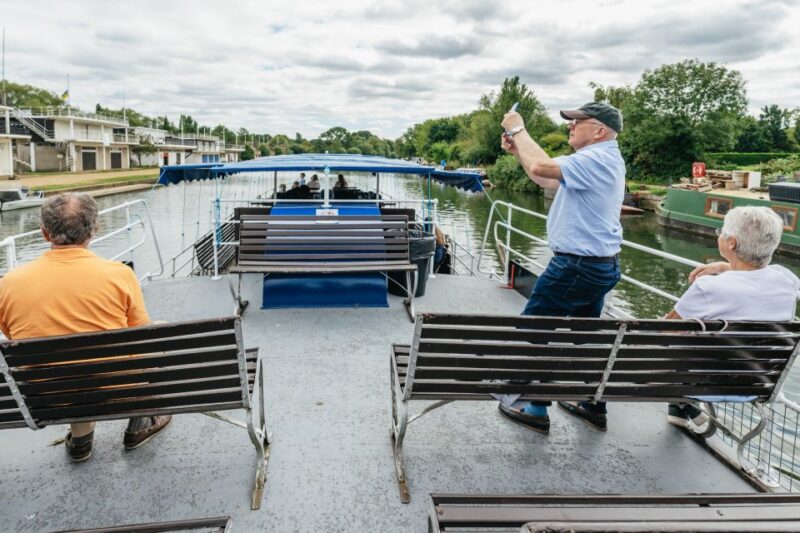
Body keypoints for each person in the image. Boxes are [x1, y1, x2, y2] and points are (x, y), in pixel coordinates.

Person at [0, 193, 171, 462]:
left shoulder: (9, 284)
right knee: (156, 335)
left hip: (44, 395)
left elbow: (13, 337)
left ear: (45, 233)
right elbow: (140, 336)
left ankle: (81, 440)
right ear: (94, 229)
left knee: (63, 362)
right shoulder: (119, 274)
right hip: (113, 389)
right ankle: (140, 419)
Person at [497, 102, 626, 434]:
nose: (570, 126)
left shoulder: (595, 158)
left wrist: (517, 128)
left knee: (533, 336)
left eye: (577, 122)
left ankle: (533, 406)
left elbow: (541, 164)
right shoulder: (601, 159)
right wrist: (517, 152)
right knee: (585, 338)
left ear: (599, 130)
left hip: (575, 266)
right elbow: (545, 179)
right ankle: (592, 402)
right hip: (599, 266)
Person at [665, 206, 800, 426]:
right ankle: (681, 408)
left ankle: (682, 403)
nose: (720, 235)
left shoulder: (708, 287)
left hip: (702, 386)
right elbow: (755, 277)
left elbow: (665, 332)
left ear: (732, 243)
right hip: (757, 385)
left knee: (677, 333)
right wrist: (725, 267)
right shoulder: (787, 280)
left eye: (722, 232)